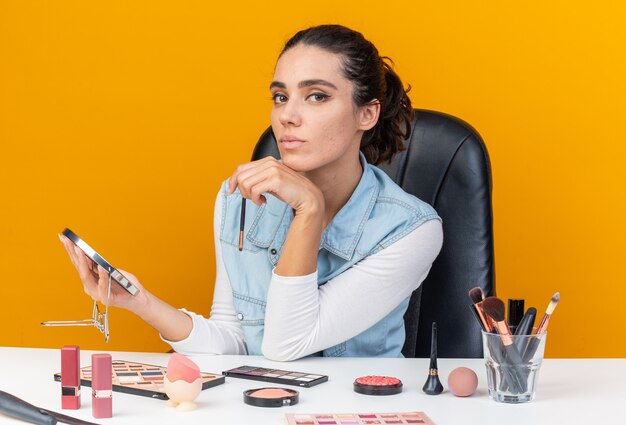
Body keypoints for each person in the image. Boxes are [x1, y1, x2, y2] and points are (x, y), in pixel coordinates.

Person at [59, 24, 443, 360]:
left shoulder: (413, 230)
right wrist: (140, 302)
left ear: (367, 114)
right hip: (263, 407)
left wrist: (309, 208)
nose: (287, 115)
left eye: (316, 96)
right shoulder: (236, 201)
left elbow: (286, 343)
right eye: (280, 96)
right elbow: (234, 340)